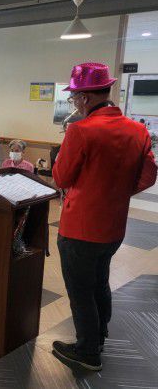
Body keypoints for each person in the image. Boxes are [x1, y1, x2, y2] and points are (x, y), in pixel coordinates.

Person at [51, 62, 157, 371]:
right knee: (99, 282)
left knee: (80, 290)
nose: (74, 102)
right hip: (114, 227)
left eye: (74, 97)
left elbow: (61, 177)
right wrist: (116, 194)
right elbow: (149, 175)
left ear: (84, 98)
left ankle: (87, 353)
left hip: (79, 228)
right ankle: (98, 337)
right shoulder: (138, 130)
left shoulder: (80, 130)